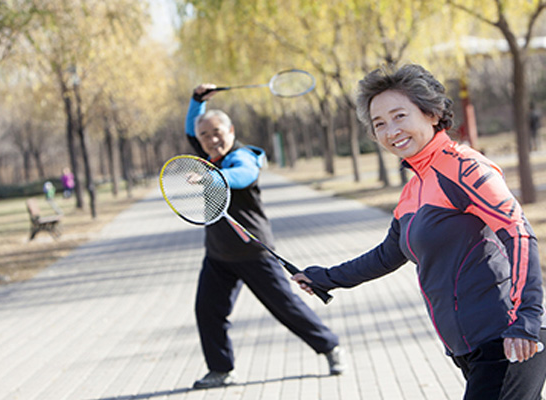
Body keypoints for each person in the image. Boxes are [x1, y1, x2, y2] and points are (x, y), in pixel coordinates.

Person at [292, 64, 546, 399]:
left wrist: (527, 317)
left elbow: (519, 234)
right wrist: (325, 277)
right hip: (467, 348)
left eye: (399, 116)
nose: (390, 130)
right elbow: (386, 255)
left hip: (507, 339)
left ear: (430, 113)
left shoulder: (465, 167)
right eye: (379, 123)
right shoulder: (413, 191)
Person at [185, 84, 344, 389]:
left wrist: (214, 177)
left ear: (230, 130)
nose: (211, 139)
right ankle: (220, 370)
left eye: (217, 132)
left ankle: (330, 347)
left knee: (286, 308)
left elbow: (243, 175)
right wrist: (196, 101)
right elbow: (192, 129)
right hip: (218, 255)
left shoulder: (240, 157)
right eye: (204, 135)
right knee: (207, 310)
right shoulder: (207, 154)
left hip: (253, 252)